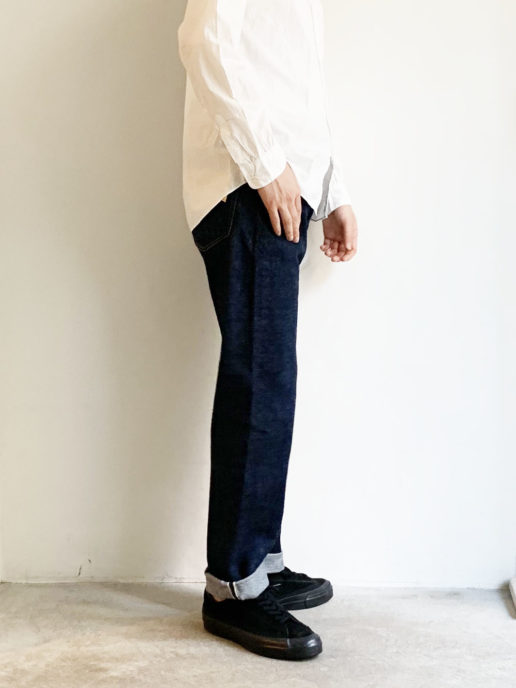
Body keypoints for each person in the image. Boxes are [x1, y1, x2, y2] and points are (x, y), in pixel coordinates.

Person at [177, 0, 358, 661]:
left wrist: (333, 192)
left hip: (278, 185)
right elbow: (203, 40)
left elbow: (297, 81)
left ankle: (260, 561)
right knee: (261, 380)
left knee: (271, 380)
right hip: (247, 186)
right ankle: (233, 585)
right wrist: (266, 164)